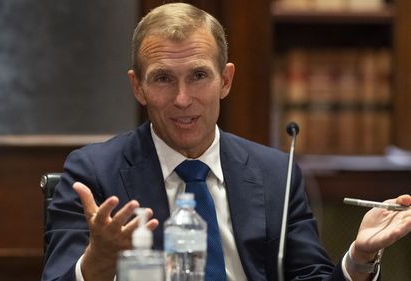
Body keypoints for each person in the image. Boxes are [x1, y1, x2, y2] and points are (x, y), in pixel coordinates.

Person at [41, 3, 411, 281]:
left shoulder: (274, 174)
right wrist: (99, 258)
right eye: (163, 79)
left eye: (199, 75)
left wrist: (358, 258)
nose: (183, 99)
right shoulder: (94, 172)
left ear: (226, 80)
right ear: (138, 87)